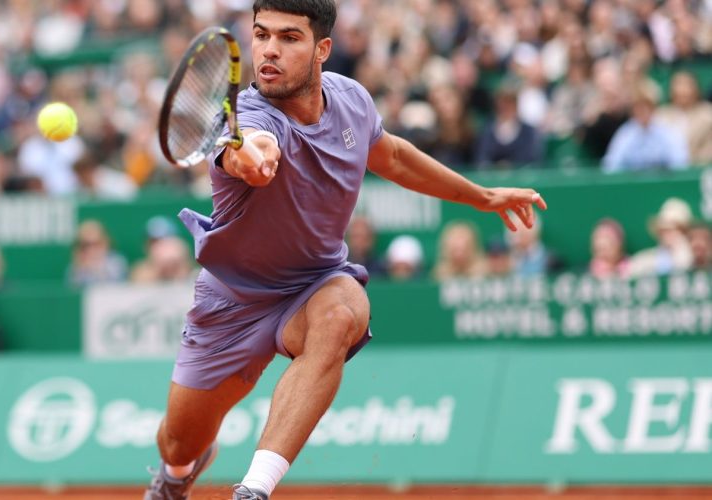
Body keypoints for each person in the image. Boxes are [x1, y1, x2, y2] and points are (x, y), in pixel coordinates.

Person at [144, 2, 547, 499]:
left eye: (289, 38)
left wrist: (483, 197)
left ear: (322, 49)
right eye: (262, 35)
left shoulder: (352, 100)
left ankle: (254, 489)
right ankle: (177, 475)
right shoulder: (248, 117)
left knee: (343, 310)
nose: (270, 51)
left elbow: (393, 156)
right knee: (181, 441)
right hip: (232, 300)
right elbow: (254, 149)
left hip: (312, 286)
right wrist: (248, 157)